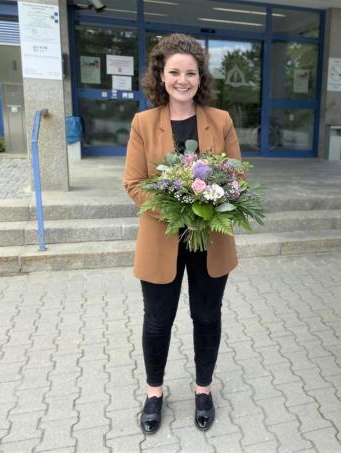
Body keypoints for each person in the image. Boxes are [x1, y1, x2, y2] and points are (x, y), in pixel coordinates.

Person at [123, 33, 241, 434]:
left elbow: (235, 177)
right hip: (162, 238)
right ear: (161, 74)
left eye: (190, 72)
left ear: (200, 76)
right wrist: (179, 210)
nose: (182, 79)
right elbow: (134, 183)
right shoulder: (143, 122)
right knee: (158, 320)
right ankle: (154, 392)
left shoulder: (220, 120)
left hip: (211, 240)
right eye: (174, 71)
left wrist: (208, 207)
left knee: (206, 316)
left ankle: (203, 389)